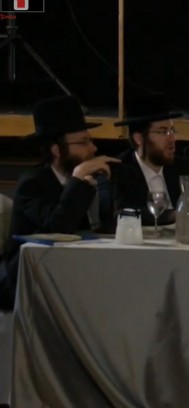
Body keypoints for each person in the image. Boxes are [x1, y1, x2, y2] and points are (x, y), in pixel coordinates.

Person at [0, 96, 121, 310]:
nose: (93, 148)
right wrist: (78, 178)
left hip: (70, 274)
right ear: (56, 150)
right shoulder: (33, 183)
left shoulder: (83, 181)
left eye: (90, 140)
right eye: (83, 142)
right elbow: (57, 227)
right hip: (28, 284)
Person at [113, 93, 189, 225]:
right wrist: (173, 215)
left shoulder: (181, 166)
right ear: (139, 138)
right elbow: (122, 212)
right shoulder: (119, 169)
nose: (172, 138)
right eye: (163, 132)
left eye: (172, 131)